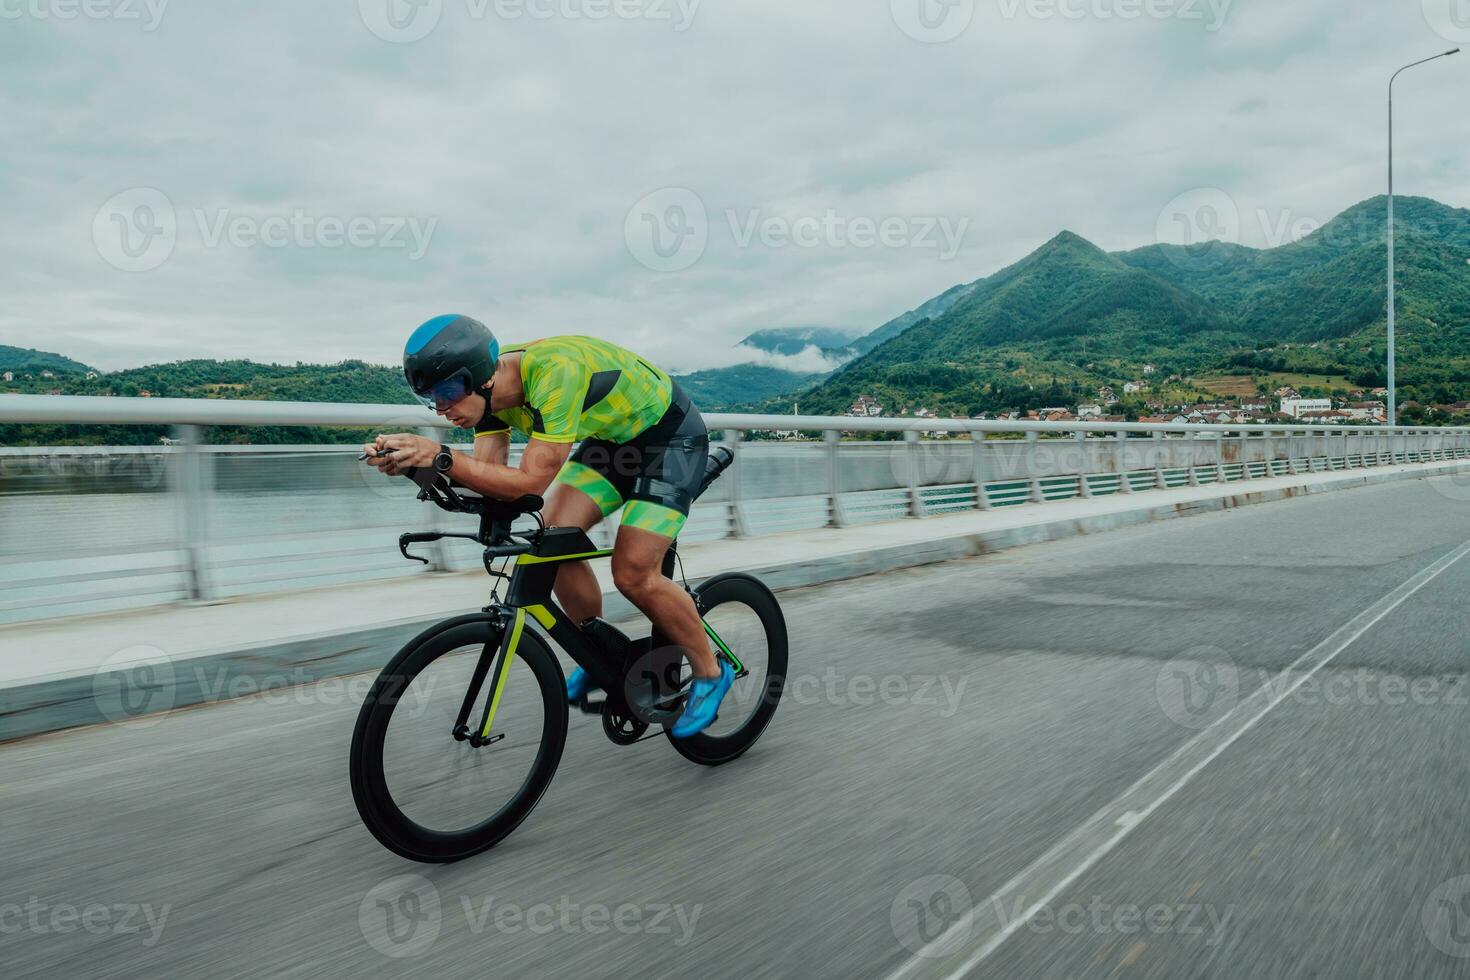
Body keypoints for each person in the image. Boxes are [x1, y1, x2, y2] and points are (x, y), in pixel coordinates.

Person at [364, 314, 732, 738]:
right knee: (552, 538)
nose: (442, 408)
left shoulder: (556, 374)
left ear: (482, 378)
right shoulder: (487, 401)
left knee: (633, 573)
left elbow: (530, 483)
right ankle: (601, 653)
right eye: (431, 398)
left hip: (670, 441)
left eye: (447, 392)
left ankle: (709, 671)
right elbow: (490, 479)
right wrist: (416, 467)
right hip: (613, 446)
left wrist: (441, 456)